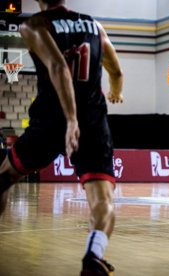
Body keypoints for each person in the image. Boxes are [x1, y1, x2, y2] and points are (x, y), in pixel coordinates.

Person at [0, 0, 124, 274]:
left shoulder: (33, 24)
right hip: (92, 121)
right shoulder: (95, 26)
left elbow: (58, 68)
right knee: (102, 200)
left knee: (5, 176)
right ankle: (94, 253)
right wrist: (116, 91)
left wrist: (70, 120)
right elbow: (116, 71)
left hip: (52, 118)